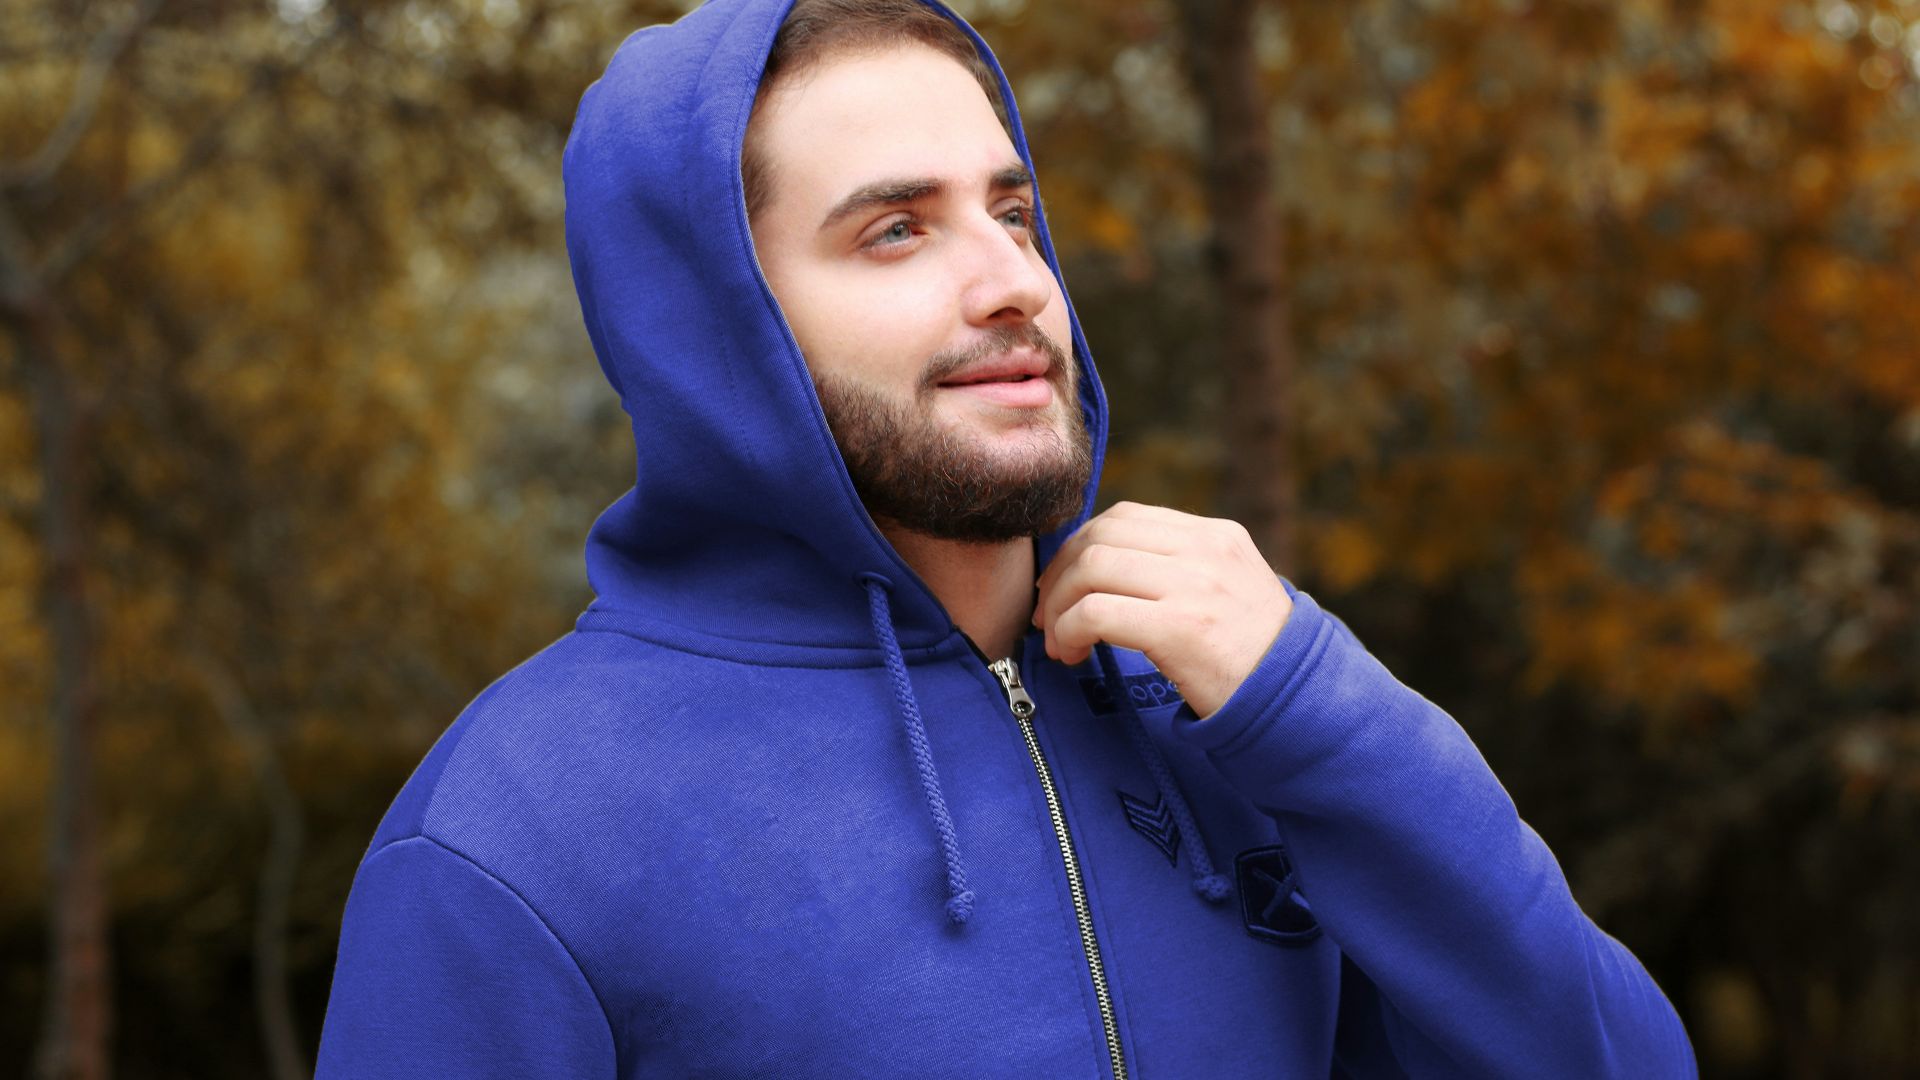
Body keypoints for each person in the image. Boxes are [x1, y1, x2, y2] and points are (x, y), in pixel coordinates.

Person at [314, 0, 1697, 1075]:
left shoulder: (1218, 696)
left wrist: (1324, 718)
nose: (1013, 283)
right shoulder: (513, 835)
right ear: (717, 326)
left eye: (1013, 210)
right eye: (897, 230)